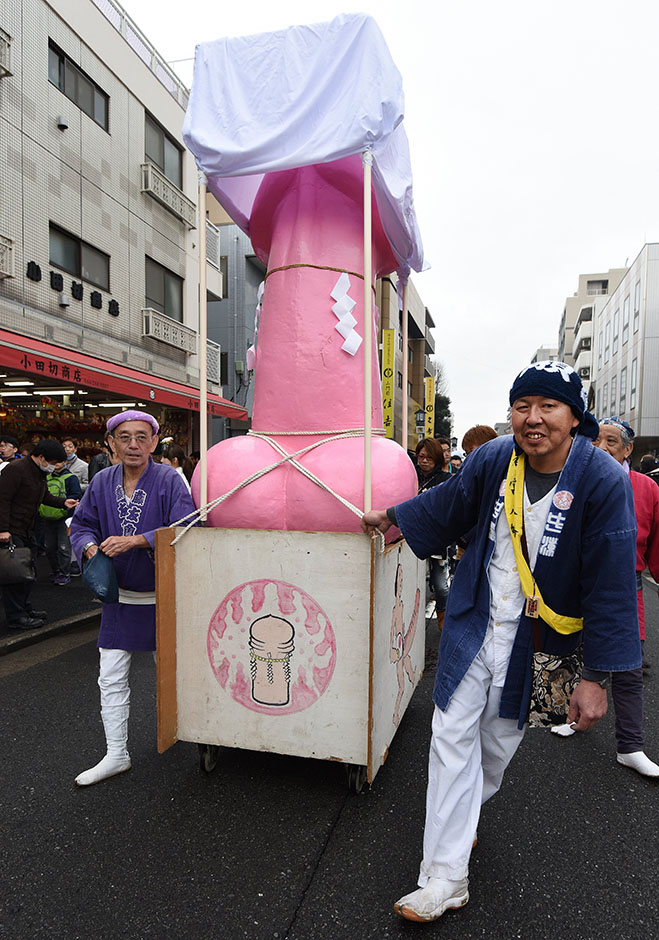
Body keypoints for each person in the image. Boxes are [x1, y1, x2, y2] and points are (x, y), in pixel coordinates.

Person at [361, 361, 641, 923]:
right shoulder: (494, 458)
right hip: (474, 622)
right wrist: (391, 516)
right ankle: (443, 877)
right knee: (449, 738)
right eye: (522, 406)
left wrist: (594, 679)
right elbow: (448, 505)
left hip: (546, 645)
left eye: (548, 407)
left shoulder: (603, 479)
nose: (533, 419)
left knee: (495, 751)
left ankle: (462, 823)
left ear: (574, 415)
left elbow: (612, 585)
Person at [70, 410, 196, 787]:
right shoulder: (101, 481)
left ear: (155, 442)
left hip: (162, 595)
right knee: (109, 676)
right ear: (111, 443)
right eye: (124, 437)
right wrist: (89, 546)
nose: (133, 445)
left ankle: (183, 736)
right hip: (118, 597)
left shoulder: (171, 480)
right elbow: (82, 525)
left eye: (142, 437)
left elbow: (188, 524)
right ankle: (116, 753)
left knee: (171, 673)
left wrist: (138, 539)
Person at [551, 417, 659, 777]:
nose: (602, 447)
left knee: (627, 668)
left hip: (627, 587)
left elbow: (655, 546)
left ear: (628, 449)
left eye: (612, 441)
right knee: (569, 652)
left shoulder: (647, 488)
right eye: (596, 440)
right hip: (575, 583)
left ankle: (630, 746)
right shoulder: (572, 479)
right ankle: (568, 715)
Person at [0, 439, 79, 629]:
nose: (53, 467)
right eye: (52, 462)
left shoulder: (39, 472)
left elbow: (42, 496)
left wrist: (63, 502)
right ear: (41, 457)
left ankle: (24, 609)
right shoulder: (16, 469)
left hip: (28, 528)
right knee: (15, 575)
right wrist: (3, 529)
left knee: (27, 573)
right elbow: (3, 500)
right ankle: (16, 617)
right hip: (12, 529)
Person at [415, 438, 450, 628]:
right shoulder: (409, 475)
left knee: (441, 587)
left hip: (437, 539)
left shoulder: (446, 480)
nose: (425, 461)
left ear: (437, 458)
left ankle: (443, 623)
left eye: (429, 457)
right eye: (421, 456)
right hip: (411, 537)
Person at [39, 459, 83, 586]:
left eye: (58, 461)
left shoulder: (71, 477)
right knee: (49, 547)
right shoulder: (46, 477)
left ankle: (64, 573)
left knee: (64, 547)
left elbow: (76, 496)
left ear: (65, 462)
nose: (56, 463)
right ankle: (56, 571)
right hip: (48, 517)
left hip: (65, 518)